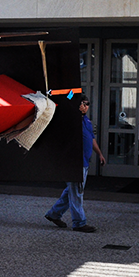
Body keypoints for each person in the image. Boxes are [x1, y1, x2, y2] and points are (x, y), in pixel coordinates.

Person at [45, 94, 106, 232]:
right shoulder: (71, 120)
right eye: (82, 103)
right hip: (74, 163)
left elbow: (91, 138)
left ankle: (53, 214)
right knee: (77, 192)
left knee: (71, 191)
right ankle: (79, 222)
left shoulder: (86, 121)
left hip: (83, 162)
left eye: (87, 103)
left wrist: (100, 154)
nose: (85, 106)